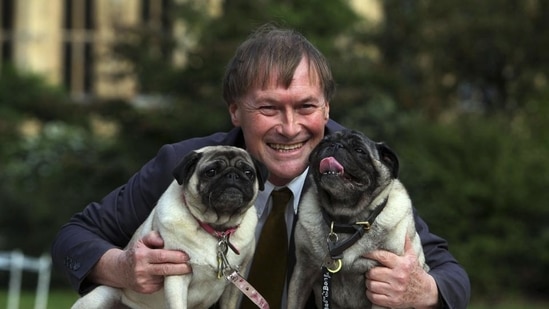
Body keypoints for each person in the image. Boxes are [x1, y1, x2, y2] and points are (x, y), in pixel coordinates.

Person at [51, 24, 470, 309]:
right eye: (268, 108)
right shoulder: (186, 166)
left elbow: (451, 276)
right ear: (235, 111)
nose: (289, 128)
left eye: (306, 106)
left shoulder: (361, 175)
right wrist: (122, 268)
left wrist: (422, 289)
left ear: (326, 108)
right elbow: (74, 237)